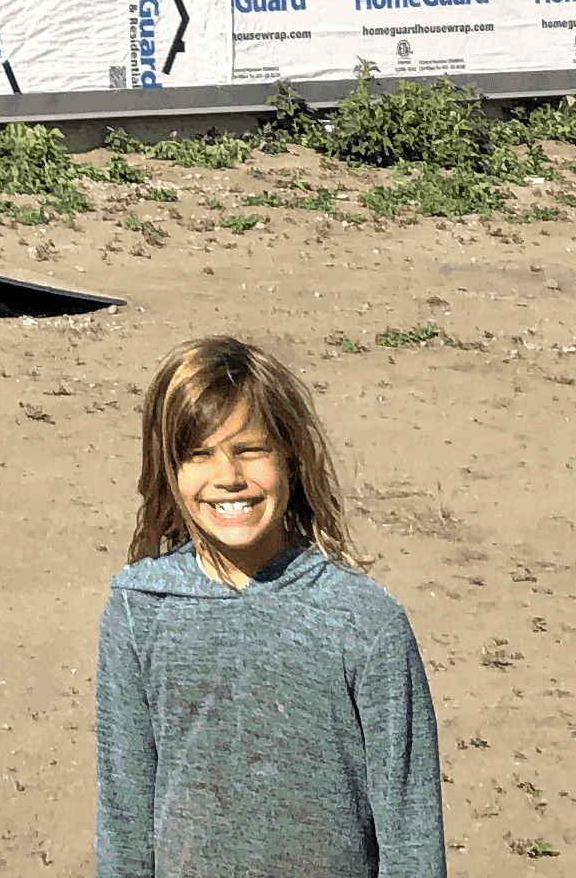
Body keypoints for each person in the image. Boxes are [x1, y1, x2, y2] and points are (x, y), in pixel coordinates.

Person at [93, 334, 444, 878]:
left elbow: (411, 831)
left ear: (292, 459)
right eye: (198, 454)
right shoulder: (141, 607)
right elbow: (124, 813)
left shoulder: (364, 621)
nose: (228, 477)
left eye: (250, 449)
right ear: (169, 472)